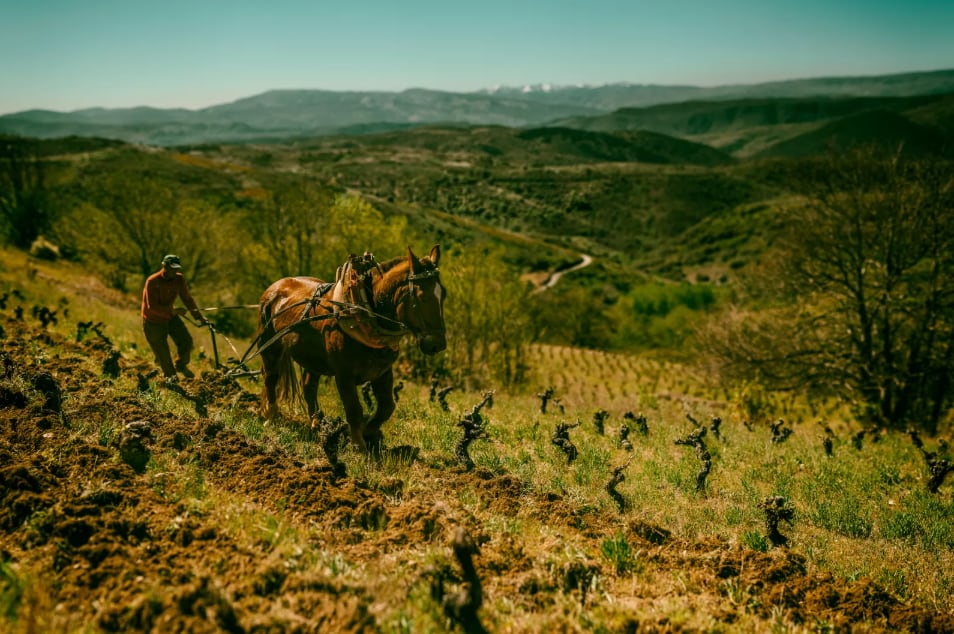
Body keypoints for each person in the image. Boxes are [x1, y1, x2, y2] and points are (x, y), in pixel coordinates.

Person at [141, 254, 208, 381]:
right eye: (171, 268)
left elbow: (187, 298)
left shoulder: (179, 279)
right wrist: (174, 311)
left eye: (176, 269)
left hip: (170, 317)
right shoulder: (152, 281)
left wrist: (199, 317)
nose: (174, 271)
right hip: (153, 322)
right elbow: (152, 308)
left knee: (186, 342)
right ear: (164, 266)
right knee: (164, 356)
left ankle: (181, 365)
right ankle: (172, 381)